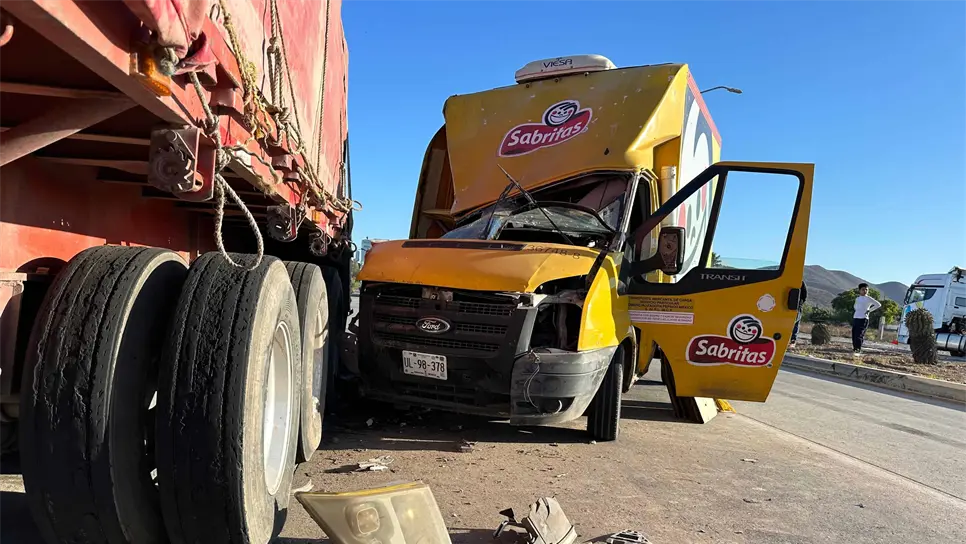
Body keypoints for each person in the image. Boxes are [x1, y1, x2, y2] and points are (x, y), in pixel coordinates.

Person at [852, 283, 881, 353]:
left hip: (863, 319)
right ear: (859, 290)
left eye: (866, 290)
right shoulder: (857, 298)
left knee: (859, 334)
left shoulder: (868, 298)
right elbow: (855, 307)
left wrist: (869, 310)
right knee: (854, 334)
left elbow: (878, 304)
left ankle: (857, 350)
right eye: (863, 289)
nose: (865, 291)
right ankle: (855, 348)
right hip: (856, 318)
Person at [790, 281, 808, 346]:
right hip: (797, 307)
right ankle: (793, 340)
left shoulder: (786, 280)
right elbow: (804, 296)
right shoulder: (801, 282)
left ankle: (792, 340)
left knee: (794, 324)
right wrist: (801, 303)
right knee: (795, 324)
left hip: (788, 306)